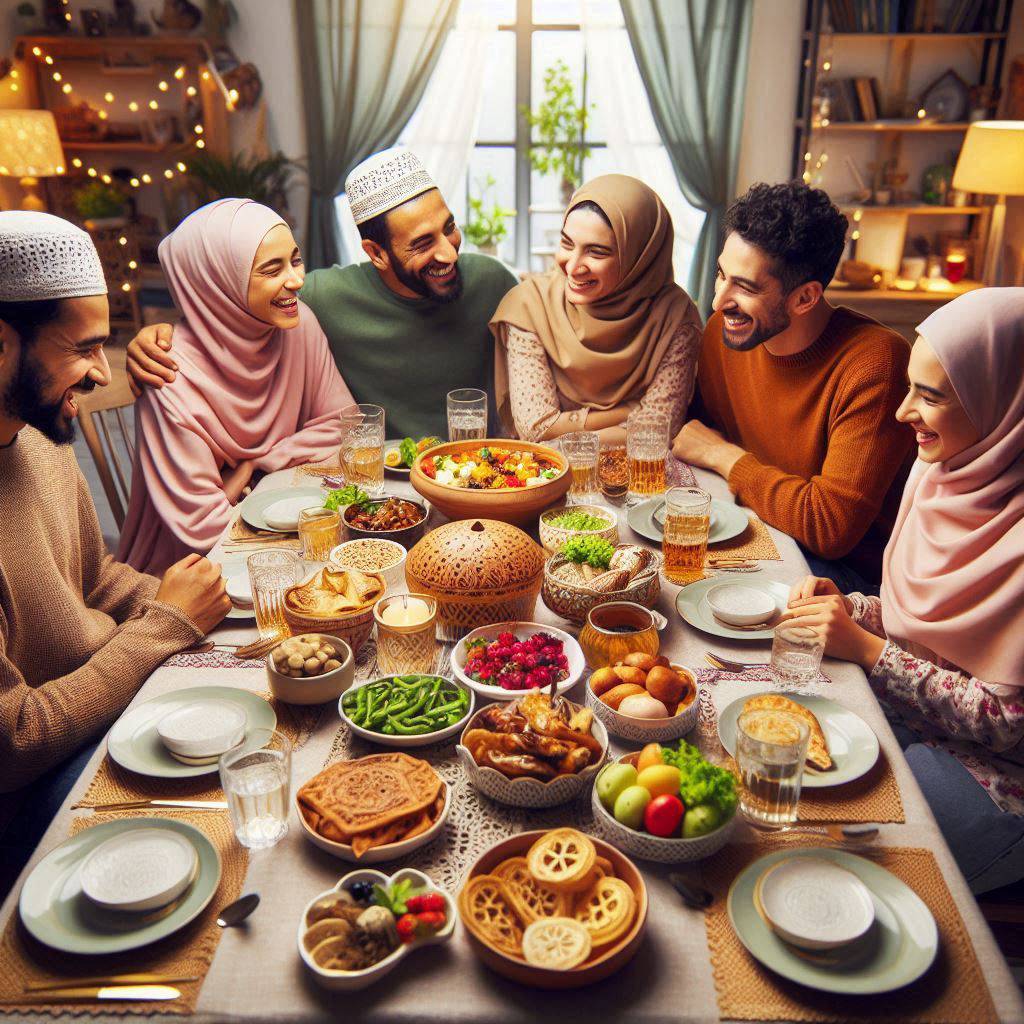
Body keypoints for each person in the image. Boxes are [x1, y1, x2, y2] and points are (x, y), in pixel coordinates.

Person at [0, 212, 228, 896]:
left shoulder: (35, 438)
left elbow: (94, 580)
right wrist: (166, 626)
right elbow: (14, 743)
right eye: (85, 348)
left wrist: (222, 600)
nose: (105, 373)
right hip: (32, 795)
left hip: (101, 709)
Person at [783, 288, 1024, 894]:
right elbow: (921, 621)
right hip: (920, 717)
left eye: (930, 396)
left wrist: (867, 650)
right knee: (790, 745)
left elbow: (1005, 720)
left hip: (998, 777)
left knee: (849, 856)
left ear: (1004, 402)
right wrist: (851, 610)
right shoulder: (942, 472)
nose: (902, 412)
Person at [125, 149, 518, 439]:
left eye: (448, 228)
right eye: (423, 243)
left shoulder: (492, 283)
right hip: (379, 488)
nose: (449, 253)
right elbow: (231, 310)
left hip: (481, 476)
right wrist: (162, 336)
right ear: (376, 254)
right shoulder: (323, 297)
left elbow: (547, 325)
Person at [672, 182, 914, 589]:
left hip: (842, 578)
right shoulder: (724, 333)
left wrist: (723, 455)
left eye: (745, 287)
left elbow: (829, 527)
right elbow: (694, 437)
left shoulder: (876, 363)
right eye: (721, 275)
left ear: (805, 298)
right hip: (759, 529)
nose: (718, 301)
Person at [117, 199, 354, 575]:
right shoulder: (165, 374)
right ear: (217, 283)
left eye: (295, 260)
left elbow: (345, 426)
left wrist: (256, 465)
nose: (296, 280)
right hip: (192, 570)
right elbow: (203, 526)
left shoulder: (298, 325)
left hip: (282, 529)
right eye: (272, 270)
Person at [489, 175, 701, 444]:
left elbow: (660, 431)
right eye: (567, 243)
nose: (572, 267)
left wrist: (566, 430)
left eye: (597, 252)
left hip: (642, 468)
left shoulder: (675, 316)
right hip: (548, 467)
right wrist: (632, 410)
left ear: (639, 257)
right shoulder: (529, 306)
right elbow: (536, 428)